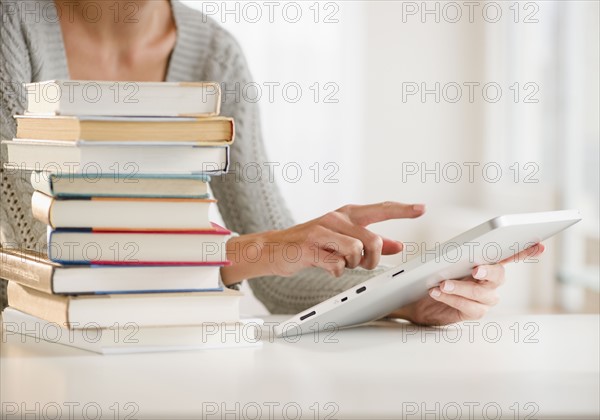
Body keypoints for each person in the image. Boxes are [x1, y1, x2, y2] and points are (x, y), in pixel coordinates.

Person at [0, 0, 544, 324]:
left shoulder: (216, 53)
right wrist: (257, 249)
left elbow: (279, 280)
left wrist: (411, 292)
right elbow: (40, 252)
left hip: (161, 361)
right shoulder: (12, 28)